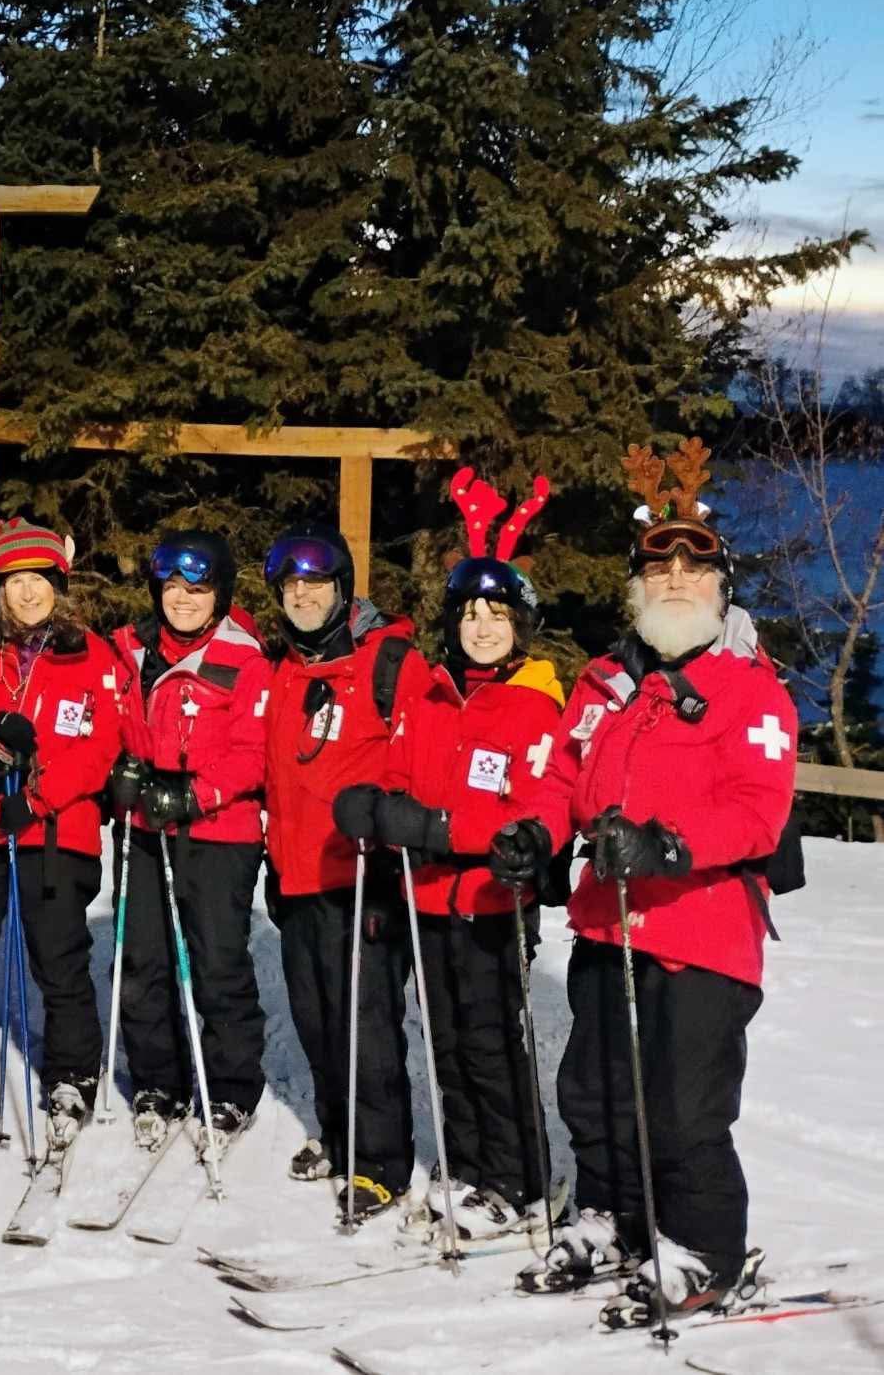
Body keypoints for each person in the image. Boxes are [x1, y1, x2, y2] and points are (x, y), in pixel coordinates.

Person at [498, 441, 797, 1324]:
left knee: (681, 1107)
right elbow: (561, 777)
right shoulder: (603, 681)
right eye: (657, 567)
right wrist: (534, 833)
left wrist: (667, 844)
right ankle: (612, 1217)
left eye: (692, 568)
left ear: (720, 585)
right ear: (634, 583)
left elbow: (757, 812)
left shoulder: (749, 691)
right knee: (593, 1091)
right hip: (606, 922)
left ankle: (703, 1248)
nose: (674, 580)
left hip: (701, 933)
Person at [339, 470, 561, 1238]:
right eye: (469, 614)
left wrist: (435, 828)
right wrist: (375, 808)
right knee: (446, 1042)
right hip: (426, 899)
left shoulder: (535, 703)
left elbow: (524, 808)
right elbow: (398, 777)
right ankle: (468, 1165)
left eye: (496, 616)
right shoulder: (430, 696)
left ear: (520, 626)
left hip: (492, 902)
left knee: (491, 1044)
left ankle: (517, 1179)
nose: (481, 627)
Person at [0, 518, 123, 1144]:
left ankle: (72, 1070)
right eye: (14, 581)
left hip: (56, 827)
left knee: (59, 958)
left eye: (38, 579)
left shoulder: (92, 655)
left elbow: (101, 745)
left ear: (58, 584)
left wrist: (38, 797)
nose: (28, 592)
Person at [260, 522, 431, 1221]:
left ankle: (381, 1161)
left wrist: (390, 822)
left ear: (342, 588)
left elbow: (419, 757)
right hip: (297, 873)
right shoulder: (283, 667)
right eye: (290, 586)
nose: (302, 596)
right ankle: (338, 1134)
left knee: (365, 1025)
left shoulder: (389, 660)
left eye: (316, 584)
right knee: (315, 1018)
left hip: (363, 876)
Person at [107, 532, 269, 1149]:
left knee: (217, 962)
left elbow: (253, 754)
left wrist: (196, 793)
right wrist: (119, 772)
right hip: (146, 827)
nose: (182, 599)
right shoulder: (130, 648)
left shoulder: (244, 659)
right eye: (172, 587)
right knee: (141, 960)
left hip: (217, 832)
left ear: (219, 595)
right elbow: (110, 722)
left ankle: (230, 1085)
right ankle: (158, 1079)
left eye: (197, 590)